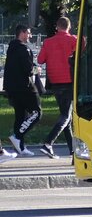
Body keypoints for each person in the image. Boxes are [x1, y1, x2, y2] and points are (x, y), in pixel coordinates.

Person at [36, 16, 77, 158]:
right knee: (66, 116)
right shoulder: (73, 40)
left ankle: (72, 150)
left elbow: (40, 60)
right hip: (70, 81)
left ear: (57, 27)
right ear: (69, 27)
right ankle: (48, 143)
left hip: (55, 82)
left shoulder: (48, 42)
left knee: (66, 116)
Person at [2, 24, 43, 159]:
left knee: (20, 116)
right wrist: (36, 70)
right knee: (37, 113)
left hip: (11, 88)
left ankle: (21, 147)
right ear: (23, 33)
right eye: (29, 33)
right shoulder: (24, 49)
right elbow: (28, 69)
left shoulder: (11, 48)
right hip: (24, 87)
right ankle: (17, 136)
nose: (30, 36)